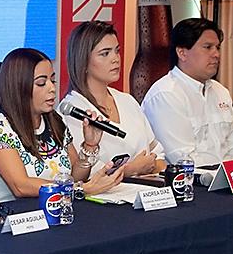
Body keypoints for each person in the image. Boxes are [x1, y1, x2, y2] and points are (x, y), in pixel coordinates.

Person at [0, 48, 126, 204]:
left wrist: (90, 145)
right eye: (41, 83)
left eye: (53, 80)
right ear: (19, 87)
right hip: (11, 220)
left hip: (55, 212)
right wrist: (81, 189)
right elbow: (20, 186)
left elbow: (75, 177)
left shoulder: (55, 120)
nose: (52, 88)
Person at [60, 21, 165, 178]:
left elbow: (159, 156)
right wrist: (131, 170)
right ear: (83, 61)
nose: (115, 59)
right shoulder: (71, 110)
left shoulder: (127, 101)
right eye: (105, 53)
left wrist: (149, 166)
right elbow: (79, 175)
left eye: (117, 51)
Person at [141, 17, 233, 167]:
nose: (216, 54)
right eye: (207, 47)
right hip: (190, 184)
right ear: (182, 53)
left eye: (217, 47)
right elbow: (183, 159)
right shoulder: (166, 94)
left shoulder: (220, 91)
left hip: (228, 180)